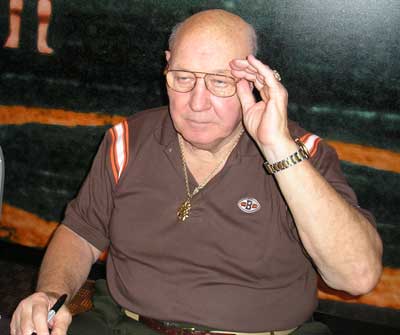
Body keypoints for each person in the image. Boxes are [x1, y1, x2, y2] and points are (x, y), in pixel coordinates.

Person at [9, 9, 382, 335]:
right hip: (127, 325)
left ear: (254, 80)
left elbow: (356, 277)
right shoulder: (127, 141)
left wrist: (278, 148)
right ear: (166, 67)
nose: (197, 103)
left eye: (219, 82)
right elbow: (80, 234)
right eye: (183, 78)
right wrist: (48, 295)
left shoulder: (304, 154)